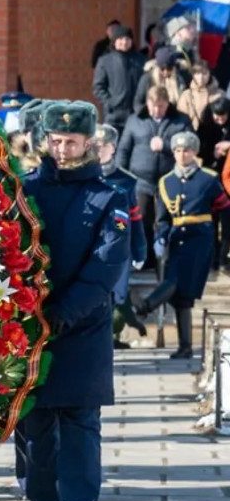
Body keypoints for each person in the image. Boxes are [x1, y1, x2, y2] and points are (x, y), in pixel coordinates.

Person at [21, 101, 130, 501]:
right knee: (37, 426)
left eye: (71, 141)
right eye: (56, 141)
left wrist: (63, 313)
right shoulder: (26, 190)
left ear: (89, 143)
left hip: (82, 328)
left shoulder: (109, 199)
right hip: (31, 328)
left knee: (81, 426)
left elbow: (106, 267)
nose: (62, 149)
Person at [135, 132, 230, 359]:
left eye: (186, 150)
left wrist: (226, 243)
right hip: (177, 238)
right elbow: (163, 217)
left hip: (200, 238)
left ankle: (146, 306)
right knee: (182, 297)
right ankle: (185, 347)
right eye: (177, 150)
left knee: (175, 279)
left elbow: (225, 210)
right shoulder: (166, 182)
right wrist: (160, 237)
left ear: (194, 152)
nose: (181, 154)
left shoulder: (208, 179)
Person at [115, 86, 192, 268]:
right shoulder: (135, 121)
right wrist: (121, 177)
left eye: (161, 106)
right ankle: (145, 259)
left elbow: (191, 143)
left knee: (168, 220)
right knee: (142, 220)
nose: (157, 110)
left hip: (170, 180)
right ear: (147, 104)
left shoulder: (180, 121)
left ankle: (170, 261)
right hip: (141, 181)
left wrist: (165, 146)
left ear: (167, 104)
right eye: (154, 106)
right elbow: (124, 150)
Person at [94, 124, 148, 348]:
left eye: (102, 146)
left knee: (118, 295)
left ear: (113, 148)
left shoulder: (127, 181)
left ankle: (112, 337)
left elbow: (134, 218)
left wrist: (140, 248)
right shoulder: (84, 176)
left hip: (119, 245)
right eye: (94, 145)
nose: (98, 150)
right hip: (93, 245)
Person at [92, 25, 146, 132]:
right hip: (113, 116)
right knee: (112, 146)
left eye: (127, 39)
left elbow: (146, 84)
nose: (124, 42)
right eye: (120, 39)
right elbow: (98, 87)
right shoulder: (105, 61)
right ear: (114, 41)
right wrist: (109, 103)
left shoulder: (141, 60)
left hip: (135, 114)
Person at [197, 99, 230, 268]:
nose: (220, 120)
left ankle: (225, 257)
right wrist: (213, 154)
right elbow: (200, 149)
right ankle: (213, 258)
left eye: (223, 116)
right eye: (217, 117)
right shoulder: (206, 127)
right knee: (212, 219)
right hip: (212, 174)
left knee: (227, 223)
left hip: (229, 179)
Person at [133, 47, 187, 114]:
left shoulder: (179, 79)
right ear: (157, 67)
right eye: (162, 69)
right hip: (152, 116)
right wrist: (146, 114)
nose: (166, 72)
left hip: (174, 117)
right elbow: (137, 103)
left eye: (169, 68)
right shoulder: (147, 79)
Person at [177, 61, 222, 130]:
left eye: (204, 73)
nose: (201, 77)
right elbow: (180, 119)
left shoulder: (219, 95)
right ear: (193, 75)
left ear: (209, 74)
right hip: (190, 134)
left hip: (214, 134)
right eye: (197, 73)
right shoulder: (186, 95)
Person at [165, 16, 198, 80]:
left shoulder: (189, 50)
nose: (193, 30)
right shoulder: (167, 51)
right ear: (177, 32)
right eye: (188, 28)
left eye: (192, 27)